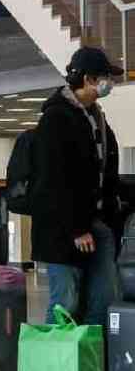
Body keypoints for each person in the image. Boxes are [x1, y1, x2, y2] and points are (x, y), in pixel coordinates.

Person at [31, 47, 122, 328]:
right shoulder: (56, 118)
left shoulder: (96, 117)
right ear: (87, 78)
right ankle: (57, 368)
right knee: (65, 304)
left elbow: (105, 172)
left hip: (97, 222)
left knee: (104, 298)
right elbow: (53, 179)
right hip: (64, 229)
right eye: (105, 77)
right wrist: (77, 228)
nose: (110, 83)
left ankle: (88, 363)